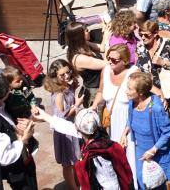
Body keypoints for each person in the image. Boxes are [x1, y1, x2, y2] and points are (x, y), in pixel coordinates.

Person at [33, 106, 134, 190]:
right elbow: (66, 126)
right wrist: (44, 115)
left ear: (78, 130)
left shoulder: (96, 154)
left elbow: (109, 182)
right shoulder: (101, 137)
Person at [0, 76, 38, 190]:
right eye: (9, 91)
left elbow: (8, 118)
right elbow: (4, 157)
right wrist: (24, 139)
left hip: (24, 159)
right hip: (16, 169)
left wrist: (18, 124)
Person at [121, 71, 170, 189]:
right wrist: (125, 133)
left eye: (130, 89)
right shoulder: (132, 102)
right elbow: (131, 119)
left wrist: (154, 150)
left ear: (141, 92)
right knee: (145, 183)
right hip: (142, 153)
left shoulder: (156, 108)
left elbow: (168, 131)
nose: (126, 91)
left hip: (162, 154)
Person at [91, 44, 137, 181]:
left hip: (129, 122)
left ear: (125, 61)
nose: (110, 61)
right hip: (111, 124)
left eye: (114, 60)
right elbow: (100, 91)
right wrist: (93, 106)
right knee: (116, 159)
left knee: (131, 157)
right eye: (108, 58)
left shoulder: (133, 72)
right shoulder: (105, 71)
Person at [43, 59, 83, 190]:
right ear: (55, 77)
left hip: (71, 128)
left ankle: (78, 182)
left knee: (75, 160)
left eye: (68, 72)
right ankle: (73, 188)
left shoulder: (65, 86)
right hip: (65, 132)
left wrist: (73, 87)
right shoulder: (59, 94)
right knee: (68, 164)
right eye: (62, 75)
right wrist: (77, 104)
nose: (67, 76)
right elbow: (61, 117)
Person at [65, 22, 105, 105]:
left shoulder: (83, 45)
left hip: (99, 87)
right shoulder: (80, 58)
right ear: (80, 36)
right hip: (95, 92)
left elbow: (102, 48)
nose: (89, 31)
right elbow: (107, 64)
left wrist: (106, 31)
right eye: (86, 30)